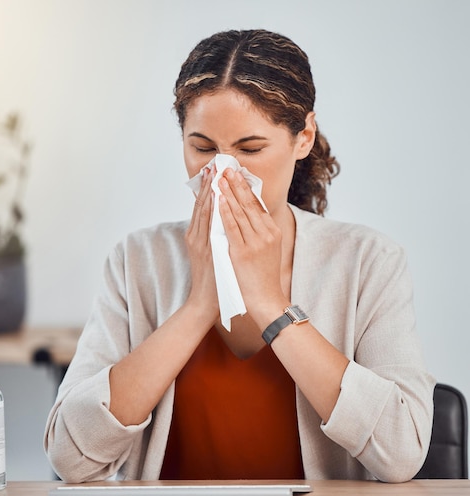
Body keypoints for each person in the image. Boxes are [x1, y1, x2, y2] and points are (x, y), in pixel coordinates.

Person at [44, 29, 434, 483]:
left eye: (250, 149)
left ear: (303, 137)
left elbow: (403, 452)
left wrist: (271, 305)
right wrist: (198, 306)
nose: (223, 172)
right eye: (203, 148)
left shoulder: (369, 262)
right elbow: (69, 458)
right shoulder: (137, 261)